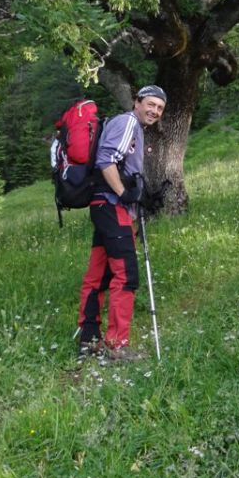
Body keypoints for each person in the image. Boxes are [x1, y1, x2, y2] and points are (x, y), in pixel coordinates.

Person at [77, 85, 167, 362]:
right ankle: (117, 346)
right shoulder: (128, 122)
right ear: (137, 102)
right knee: (126, 275)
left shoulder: (132, 127)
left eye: (159, 108)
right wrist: (124, 193)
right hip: (111, 206)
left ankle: (88, 340)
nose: (154, 111)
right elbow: (106, 160)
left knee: (99, 274)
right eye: (150, 104)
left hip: (107, 208)